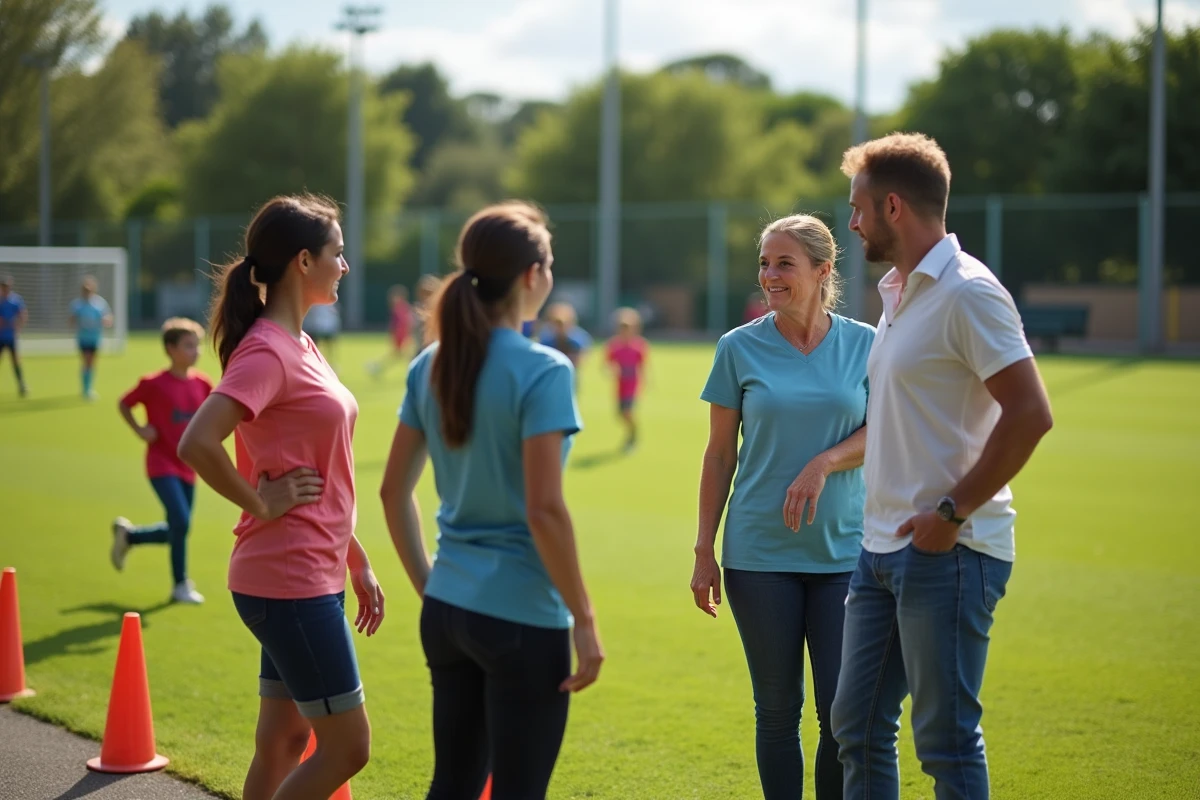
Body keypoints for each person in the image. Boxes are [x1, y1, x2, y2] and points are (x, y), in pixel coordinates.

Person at [831, 133, 1053, 800]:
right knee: (857, 727)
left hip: (949, 552)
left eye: (858, 207)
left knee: (946, 743)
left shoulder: (968, 293)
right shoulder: (898, 291)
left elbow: (1030, 413)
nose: (852, 222)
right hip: (879, 551)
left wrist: (953, 513)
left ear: (892, 206)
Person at [379, 201, 604, 800]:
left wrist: (432, 586)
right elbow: (544, 509)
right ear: (533, 276)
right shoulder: (545, 370)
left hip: (448, 608)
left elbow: (391, 491)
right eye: (550, 264)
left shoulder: (429, 362)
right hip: (522, 615)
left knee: (450, 786)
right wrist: (584, 619)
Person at [178, 194, 385, 800]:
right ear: (302, 261)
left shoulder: (302, 344)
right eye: (337, 254)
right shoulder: (268, 349)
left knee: (284, 745)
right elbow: (198, 441)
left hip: (303, 576)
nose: (345, 266)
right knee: (349, 748)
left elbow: (321, 476)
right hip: (290, 583)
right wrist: (260, 502)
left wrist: (358, 559)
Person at [691, 214, 875, 800]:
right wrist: (703, 550)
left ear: (824, 271)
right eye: (765, 263)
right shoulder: (737, 348)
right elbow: (719, 457)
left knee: (840, 715)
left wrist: (823, 463)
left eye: (784, 263)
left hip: (846, 552)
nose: (770, 275)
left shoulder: (867, 344)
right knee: (776, 711)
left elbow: (886, 430)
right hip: (758, 555)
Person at [111, 317, 213, 604]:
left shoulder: (203, 385)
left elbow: (214, 418)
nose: (195, 351)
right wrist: (140, 429)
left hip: (189, 467)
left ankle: (130, 537)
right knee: (180, 521)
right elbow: (124, 403)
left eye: (197, 345)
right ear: (170, 349)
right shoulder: (153, 383)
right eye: (188, 345)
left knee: (179, 528)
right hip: (161, 464)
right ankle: (181, 585)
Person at [604, 307, 649, 452]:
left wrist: (645, 381)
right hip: (620, 384)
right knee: (620, 413)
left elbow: (643, 365)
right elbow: (608, 363)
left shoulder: (639, 345)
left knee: (627, 410)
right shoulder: (614, 345)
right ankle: (632, 430)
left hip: (632, 384)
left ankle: (633, 435)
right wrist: (611, 371)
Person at [68, 275, 113, 400]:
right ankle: (86, 389)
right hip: (83, 337)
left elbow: (108, 317)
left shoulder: (99, 303)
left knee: (91, 363)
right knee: (86, 361)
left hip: (95, 337)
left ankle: (88, 387)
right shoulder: (77, 304)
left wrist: (106, 320)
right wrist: (73, 321)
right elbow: (71, 319)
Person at [367, 284, 416, 378]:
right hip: (401, 335)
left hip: (401, 335)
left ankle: (377, 368)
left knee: (401, 355)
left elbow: (405, 322)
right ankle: (378, 368)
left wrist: (401, 333)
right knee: (401, 355)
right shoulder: (401, 307)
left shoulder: (400, 307)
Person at [538, 302, 591, 369]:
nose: (559, 328)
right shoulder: (546, 340)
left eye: (562, 324)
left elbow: (579, 358)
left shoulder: (577, 340)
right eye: (556, 324)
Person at [0, 275, 28, 397]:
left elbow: (23, 314)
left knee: (16, 361)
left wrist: (18, 326)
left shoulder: (16, 300)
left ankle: (21, 385)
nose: (6, 288)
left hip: (11, 336)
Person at [303, 302, 341, 368]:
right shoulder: (315, 304)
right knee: (316, 346)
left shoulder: (330, 302)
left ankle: (330, 363)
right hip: (318, 327)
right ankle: (317, 362)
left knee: (329, 347)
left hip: (327, 327)